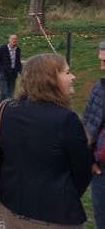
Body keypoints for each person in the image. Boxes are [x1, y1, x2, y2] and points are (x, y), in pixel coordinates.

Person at [0, 53, 91, 227]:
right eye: (67, 73)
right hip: (51, 214)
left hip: (10, 204)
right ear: (50, 79)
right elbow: (82, 172)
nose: (73, 76)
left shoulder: (3, 108)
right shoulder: (65, 119)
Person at [81, 40, 105, 229]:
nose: (101, 64)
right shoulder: (99, 88)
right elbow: (87, 125)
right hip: (101, 171)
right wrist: (90, 161)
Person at [0, 34, 22, 100]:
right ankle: (2, 108)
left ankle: (9, 108)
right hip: (3, 74)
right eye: (12, 39)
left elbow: (18, 62)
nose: (14, 40)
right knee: (4, 93)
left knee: (11, 93)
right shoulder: (3, 48)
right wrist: (1, 70)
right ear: (9, 40)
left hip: (13, 74)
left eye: (15, 39)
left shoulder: (18, 50)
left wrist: (22, 72)